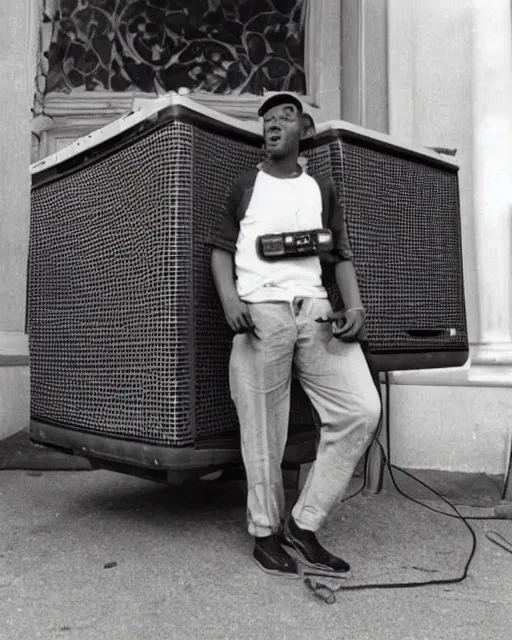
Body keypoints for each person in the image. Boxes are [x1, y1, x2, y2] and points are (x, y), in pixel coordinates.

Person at [209, 92, 381, 579]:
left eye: (286, 116)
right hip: (262, 312)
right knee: (263, 424)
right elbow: (220, 249)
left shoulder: (321, 189)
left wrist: (355, 306)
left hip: (316, 310)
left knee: (361, 410)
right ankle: (266, 533)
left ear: (304, 129)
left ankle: (303, 526)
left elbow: (339, 254)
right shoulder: (245, 185)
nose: (274, 122)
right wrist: (230, 301)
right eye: (268, 117)